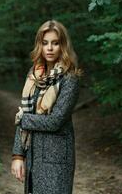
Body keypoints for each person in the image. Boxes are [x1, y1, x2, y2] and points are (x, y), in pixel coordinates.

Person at [11, 19, 82, 194]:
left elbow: (55, 121)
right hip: (33, 155)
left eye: (55, 43)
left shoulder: (70, 78)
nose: (49, 48)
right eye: (45, 43)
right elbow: (25, 111)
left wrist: (23, 119)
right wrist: (18, 155)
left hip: (57, 158)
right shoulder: (34, 74)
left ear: (63, 46)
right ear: (39, 45)